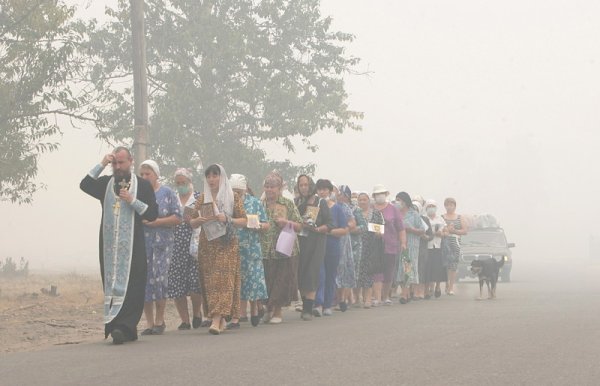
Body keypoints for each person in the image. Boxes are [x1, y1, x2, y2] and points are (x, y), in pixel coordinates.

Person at [80, 147, 158, 344]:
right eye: (114, 163)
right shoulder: (106, 183)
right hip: (109, 248)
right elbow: (85, 184)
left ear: (131, 161)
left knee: (133, 285)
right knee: (112, 284)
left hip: (134, 246)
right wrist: (102, 163)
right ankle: (116, 327)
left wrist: (133, 201)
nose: (117, 167)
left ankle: (126, 326)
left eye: (121, 162)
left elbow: (152, 214)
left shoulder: (142, 185)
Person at [189, 164, 247, 335]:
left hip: (227, 244)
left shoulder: (233, 196)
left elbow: (244, 221)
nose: (212, 179)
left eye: (215, 175)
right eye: (209, 176)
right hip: (207, 245)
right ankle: (220, 318)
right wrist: (198, 220)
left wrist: (227, 218)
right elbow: (191, 221)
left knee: (223, 281)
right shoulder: (202, 198)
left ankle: (215, 319)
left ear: (222, 177)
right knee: (211, 282)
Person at [139, 160, 182, 335]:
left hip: (163, 244)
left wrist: (157, 222)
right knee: (145, 281)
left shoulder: (167, 193)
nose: (144, 177)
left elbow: (178, 217)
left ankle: (160, 319)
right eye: (142, 174)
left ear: (156, 174)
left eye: (147, 174)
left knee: (160, 280)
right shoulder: (139, 193)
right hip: (144, 244)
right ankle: (148, 322)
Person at [260, 171, 303, 324]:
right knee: (267, 280)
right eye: (267, 186)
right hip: (265, 249)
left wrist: (286, 222)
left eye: (273, 187)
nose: (270, 190)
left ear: (279, 188)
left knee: (281, 280)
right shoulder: (260, 204)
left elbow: (299, 226)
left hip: (285, 249)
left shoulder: (287, 204)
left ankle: (277, 311)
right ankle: (268, 308)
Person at [228, 174, 270, 328]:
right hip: (232, 247)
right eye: (233, 191)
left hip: (251, 248)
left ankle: (254, 309)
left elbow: (266, 225)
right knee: (236, 281)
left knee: (252, 280)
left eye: (238, 191)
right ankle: (238, 315)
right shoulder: (227, 204)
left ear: (244, 190)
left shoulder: (254, 203)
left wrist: (254, 224)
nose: (236, 194)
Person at [168, 168, 203, 330]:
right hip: (175, 245)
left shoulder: (198, 198)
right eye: (178, 183)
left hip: (195, 244)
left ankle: (197, 313)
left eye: (184, 183)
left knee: (195, 281)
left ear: (190, 182)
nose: (181, 186)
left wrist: (194, 219)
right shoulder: (172, 199)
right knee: (177, 282)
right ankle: (185, 320)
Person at [294, 175, 332, 321]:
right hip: (300, 241)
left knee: (311, 273)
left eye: (306, 184)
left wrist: (317, 228)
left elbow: (330, 223)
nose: (304, 187)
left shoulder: (320, 202)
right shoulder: (296, 202)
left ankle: (309, 309)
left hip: (316, 242)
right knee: (301, 272)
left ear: (311, 185)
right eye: (301, 185)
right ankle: (305, 305)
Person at [313, 179, 348, 317]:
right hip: (317, 246)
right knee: (319, 275)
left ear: (330, 191)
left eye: (325, 189)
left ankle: (327, 305)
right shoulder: (314, 206)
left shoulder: (337, 208)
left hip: (332, 246)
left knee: (330, 276)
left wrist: (328, 231)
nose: (322, 192)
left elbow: (344, 230)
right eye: (319, 189)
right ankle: (318, 304)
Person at [371, 184, 406, 306]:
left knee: (388, 272)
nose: (380, 196)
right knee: (376, 271)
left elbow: (400, 228)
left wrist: (403, 242)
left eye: (382, 193)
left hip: (390, 245)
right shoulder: (371, 209)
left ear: (386, 195)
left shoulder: (393, 209)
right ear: (374, 196)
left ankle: (386, 296)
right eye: (377, 194)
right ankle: (377, 297)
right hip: (374, 246)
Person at [395, 192, 426, 304]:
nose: (397, 202)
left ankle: (404, 294)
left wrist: (411, 229)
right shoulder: (396, 214)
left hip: (411, 245)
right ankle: (406, 293)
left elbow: (422, 230)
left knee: (408, 269)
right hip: (398, 244)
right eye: (396, 199)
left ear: (405, 201)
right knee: (401, 270)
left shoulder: (414, 214)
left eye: (399, 199)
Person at [356, 192, 384, 308]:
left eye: (364, 199)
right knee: (358, 272)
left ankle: (368, 299)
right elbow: (351, 227)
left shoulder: (376, 213)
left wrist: (376, 231)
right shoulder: (355, 213)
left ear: (369, 200)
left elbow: (381, 230)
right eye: (360, 200)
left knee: (368, 272)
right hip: (357, 246)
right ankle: (357, 298)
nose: (362, 202)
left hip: (371, 247)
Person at [336, 185, 360, 311]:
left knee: (342, 269)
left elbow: (355, 223)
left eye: (344, 195)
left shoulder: (349, 208)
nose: (341, 197)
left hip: (346, 241)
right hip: (330, 239)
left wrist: (344, 227)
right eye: (339, 193)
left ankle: (342, 299)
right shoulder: (327, 206)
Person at [441, 197, 469, 295]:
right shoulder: (442, 217)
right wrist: (447, 229)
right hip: (444, 242)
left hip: (455, 242)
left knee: (453, 265)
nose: (449, 207)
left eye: (451, 205)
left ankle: (451, 287)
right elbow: (440, 229)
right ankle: (446, 283)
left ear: (455, 206)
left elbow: (465, 231)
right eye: (447, 205)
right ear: (445, 206)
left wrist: (455, 231)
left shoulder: (459, 217)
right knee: (445, 264)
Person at [424, 200, 446, 298]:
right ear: (426, 208)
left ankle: (437, 287)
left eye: (433, 206)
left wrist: (442, 234)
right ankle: (427, 290)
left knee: (438, 267)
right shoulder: (424, 218)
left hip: (438, 246)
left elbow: (446, 231)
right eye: (429, 206)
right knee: (428, 268)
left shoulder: (440, 219)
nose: (431, 208)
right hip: (427, 246)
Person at [415, 201, 434, 299]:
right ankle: (412, 291)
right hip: (410, 247)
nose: (414, 211)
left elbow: (431, 235)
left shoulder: (425, 219)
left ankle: (421, 291)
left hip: (422, 248)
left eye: (416, 209)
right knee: (411, 269)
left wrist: (425, 237)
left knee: (421, 269)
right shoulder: (406, 218)